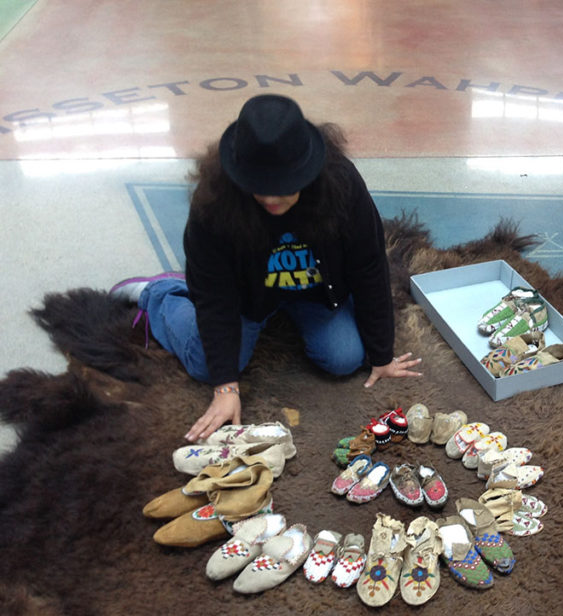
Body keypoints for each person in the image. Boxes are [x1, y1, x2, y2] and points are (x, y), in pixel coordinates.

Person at [111, 94, 421, 441]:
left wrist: (382, 355)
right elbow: (214, 296)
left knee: (345, 358)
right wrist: (226, 387)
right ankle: (160, 293)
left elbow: (369, 266)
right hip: (246, 297)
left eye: (285, 188)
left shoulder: (342, 184)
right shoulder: (214, 203)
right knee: (205, 365)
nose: (272, 199)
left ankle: (292, 315)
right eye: (260, 188)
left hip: (317, 292)